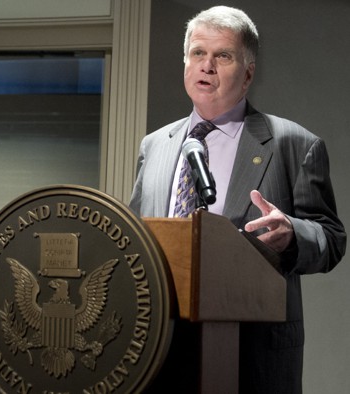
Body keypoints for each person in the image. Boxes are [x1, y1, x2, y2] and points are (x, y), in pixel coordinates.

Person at [129, 6, 346, 393]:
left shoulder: (293, 143)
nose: (207, 66)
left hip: (251, 357)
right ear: (186, 63)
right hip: (158, 354)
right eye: (198, 53)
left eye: (223, 56)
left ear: (247, 73)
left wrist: (293, 233)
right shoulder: (155, 146)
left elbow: (331, 238)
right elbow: (133, 238)